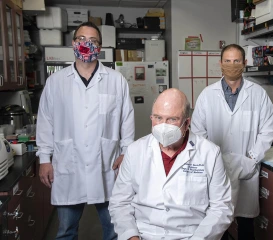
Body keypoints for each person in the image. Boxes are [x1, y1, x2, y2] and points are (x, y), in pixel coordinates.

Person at [36, 22, 135, 240]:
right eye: (81, 39)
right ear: (73, 43)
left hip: (107, 164)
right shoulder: (56, 82)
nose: (86, 45)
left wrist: (126, 152)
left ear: (100, 47)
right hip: (68, 165)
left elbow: (126, 119)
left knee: (115, 229)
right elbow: (45, 122)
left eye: (93, 41)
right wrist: (44, 158)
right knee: (66, 231)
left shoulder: (116, 80)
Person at [109, 88, 233, 240]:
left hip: (191, 236)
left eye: (172, 119)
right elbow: (119, 203)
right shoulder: (135, 151)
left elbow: (221, 207)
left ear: (187, 123)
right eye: (158, 118)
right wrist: (131, 236)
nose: (163, 125)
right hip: (143, 234)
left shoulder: (210, 153)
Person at [191, 44, 273, 240]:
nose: (232, 65)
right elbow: (198, 131)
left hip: (246, 168)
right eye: (228, 61)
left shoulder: (257, 94)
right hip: (215, 169)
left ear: (244, 63)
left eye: (236, 61)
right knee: (215, 223)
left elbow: (268, 129)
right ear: (220, 64)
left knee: (246, 225)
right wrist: (210, 159)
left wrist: (252, 157)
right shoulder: (207, 95)